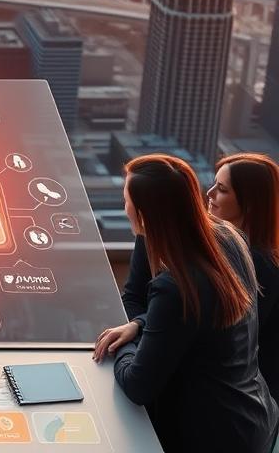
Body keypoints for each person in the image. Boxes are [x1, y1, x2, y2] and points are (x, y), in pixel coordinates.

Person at [94, 154, 277, 452]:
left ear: (142, 214)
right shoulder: (229, 238)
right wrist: (140, 323)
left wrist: (124, 341)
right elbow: (198, 319)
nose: (122, 206)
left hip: (210, 435)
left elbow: (138, 385)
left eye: (125, 199)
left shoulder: (176, 287)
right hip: (251, 417)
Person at [208, 153, 279, 400]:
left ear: (249, 203)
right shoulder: (239, 250)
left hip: (247, 400)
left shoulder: (259, 264)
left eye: (222, 189)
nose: (209, 194)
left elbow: (229, 339)